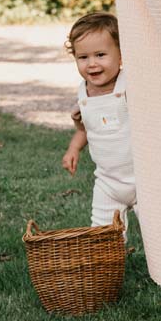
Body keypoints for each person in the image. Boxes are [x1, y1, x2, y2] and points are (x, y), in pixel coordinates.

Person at [61, 12, 135, 228]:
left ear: (121, 56)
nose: (91, 64)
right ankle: (107, 262)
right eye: (83, 57)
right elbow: (86, 129)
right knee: (103, 231)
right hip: (108, 182)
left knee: (159, 230)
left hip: (144, 178)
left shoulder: (128, 85)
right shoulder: (83, 94)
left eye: (101, 55)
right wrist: (73, 149)